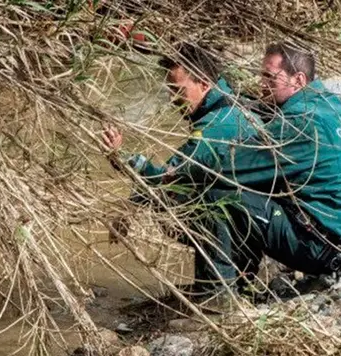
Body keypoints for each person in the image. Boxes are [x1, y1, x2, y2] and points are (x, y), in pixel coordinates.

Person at [109, 42, 341, 293]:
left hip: (330, 246)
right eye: (261, 75)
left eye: (270, 77)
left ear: (299, 80)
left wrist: (129, 162)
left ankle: (216, 294)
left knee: (215, 196)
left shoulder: (299, 124)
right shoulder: (328, 103)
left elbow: (220, 167)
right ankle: (240, 278)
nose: (261, 84)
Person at [103, 42, 263, 287]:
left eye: (178, 90)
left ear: (204, 84)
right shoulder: (229, 101)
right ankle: (237, 279)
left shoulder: (214, 129)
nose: (173, 99)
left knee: (174, 203)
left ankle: (216, 290)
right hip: (259, 212)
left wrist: (120, 157)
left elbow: (165, 179)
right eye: (170, 90)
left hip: (256, 219)